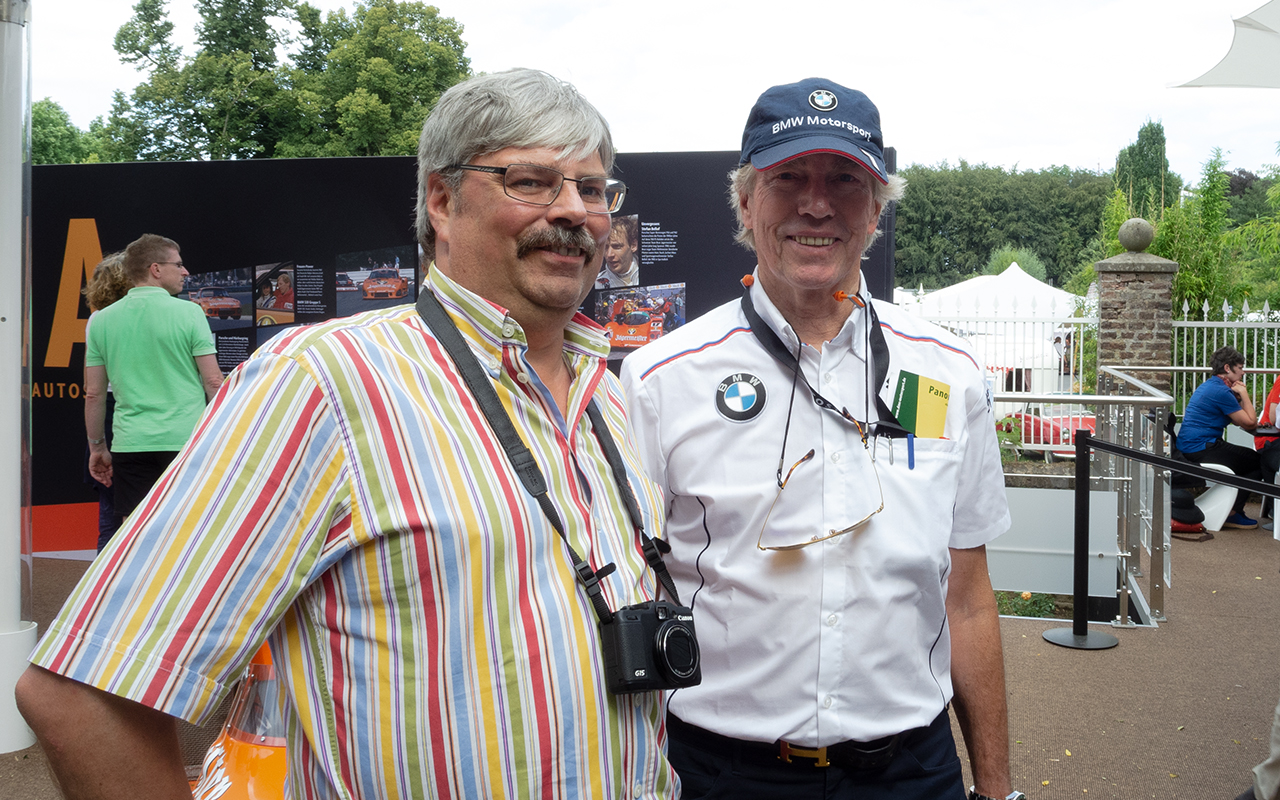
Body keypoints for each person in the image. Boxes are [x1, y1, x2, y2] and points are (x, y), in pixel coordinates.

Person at [16, 68, 678, 799]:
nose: (576, 211)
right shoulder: (324, 381)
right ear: (441, 201)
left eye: (593, 189)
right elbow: (82, 696)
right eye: (531, 182)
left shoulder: (605, 396)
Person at [621, 78, 1021, 800]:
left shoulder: (948, 372)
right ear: (746, 203)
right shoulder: (660, 379)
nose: (816, 203)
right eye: (788, 178)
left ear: (876, 210)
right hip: (721, 774)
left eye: (844, 179)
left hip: (911, 774)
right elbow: (634, 588)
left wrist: (997, 789)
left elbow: (967, 600)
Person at [83, 234, 224, 533]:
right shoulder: (190, 312)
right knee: (190, 529)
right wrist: (227, 433)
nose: (185, 272)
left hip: (131, 442)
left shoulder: (102, 320)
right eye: (179, 265)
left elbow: (94, 393)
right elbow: (213, 381)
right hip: (186, 440)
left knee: (134, 532)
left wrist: (97, 447)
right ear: (156, 269)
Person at [1176, 345, 1261, 529]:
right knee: (1257, 462)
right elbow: (1250, 423)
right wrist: (1244, 393)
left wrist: (1239, 398)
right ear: (1228, 368)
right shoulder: (1221, 391)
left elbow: (1239, 421)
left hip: (1192, 446)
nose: (1243, 373)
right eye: (1240, 368)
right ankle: (1233, 514)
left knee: (1246, 460)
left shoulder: (1213, 386)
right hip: (1201, 447)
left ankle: (1232, 509)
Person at [81, 252, 132, 551]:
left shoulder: (96, 319)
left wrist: (96, 444)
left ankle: (105, 575)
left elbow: (90, 386)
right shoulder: (114, 318)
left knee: (111, 508)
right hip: (125, 410)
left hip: (109, 411)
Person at [597, 214, 639, 288]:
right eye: (605, 247)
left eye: (616, 246)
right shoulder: (597, 284)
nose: (609, 254)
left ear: (633, 245)